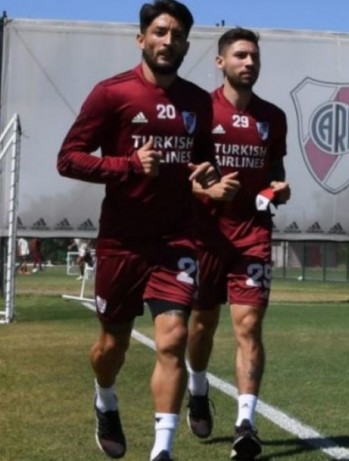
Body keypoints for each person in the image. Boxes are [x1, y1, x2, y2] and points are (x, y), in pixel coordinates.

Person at [56, 1, 219, 460]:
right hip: (122, 243)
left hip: (178, 239)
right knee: (112, 346)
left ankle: (162, 450)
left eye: (178, 35)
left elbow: (203, 159)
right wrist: (127, 165)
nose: (169, 41)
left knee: (173, 338)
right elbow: (69, 158)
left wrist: (207, 175)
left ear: (187, 43)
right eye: (160, 32)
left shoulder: (198, 101)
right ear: (141, 38)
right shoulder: (111, 94)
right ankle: (105, 397)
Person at [184, 27, 289, 461]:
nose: (249, 63)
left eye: (254, 57)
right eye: (241, 56)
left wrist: (277, 192)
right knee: (202, 326)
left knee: (248, 327)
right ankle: (197, 385)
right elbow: (182, 177)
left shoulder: (274, 117)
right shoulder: (198, 111)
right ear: (220, 62)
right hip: (204, 236)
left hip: (252, 235)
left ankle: (246, 423)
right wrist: (206, 192)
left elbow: (276, 177)